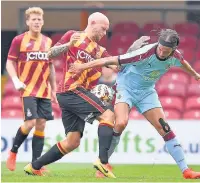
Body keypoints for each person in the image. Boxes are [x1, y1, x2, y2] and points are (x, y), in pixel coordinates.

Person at [23, 12, 149, 178]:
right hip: (71, 89)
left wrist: (133, 50)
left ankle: (34, 166)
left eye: (106, 31)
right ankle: (103, 163)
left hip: (73, 95)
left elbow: (119, 66)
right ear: (92, 22)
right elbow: (49, 54)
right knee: (108, 116)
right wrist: (68, 44)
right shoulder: (73, 36)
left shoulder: (100, 51)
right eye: (103, 29)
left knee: (72, 142)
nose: (104, 33)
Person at [69, 29, 200, 179]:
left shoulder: (175, 56)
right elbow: (108, 60)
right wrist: (82, 67)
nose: (162, 53)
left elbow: (184, 64)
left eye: (166, 51)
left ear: (173, 50)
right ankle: (103, 164)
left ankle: (186, 171)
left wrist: (195, 75)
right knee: (120, 123)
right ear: (158, 44)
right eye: (161, 49)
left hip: (146, 92)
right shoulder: (144, 53)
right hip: (126, 89)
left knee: (164, 128)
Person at [6, 7, 56, 172]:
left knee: (41, 125)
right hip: (27, 89)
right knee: (30, 123)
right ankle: (13, 152)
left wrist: (54, 89)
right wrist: (15, 80)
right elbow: (9, 62)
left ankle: (35, 166)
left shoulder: (48, 42)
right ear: (27, 22)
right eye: (33, 19)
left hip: (44, 90)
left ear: (42, 22)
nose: (36, 22)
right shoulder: (19, 40)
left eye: (39, 19)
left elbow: (51, 67)